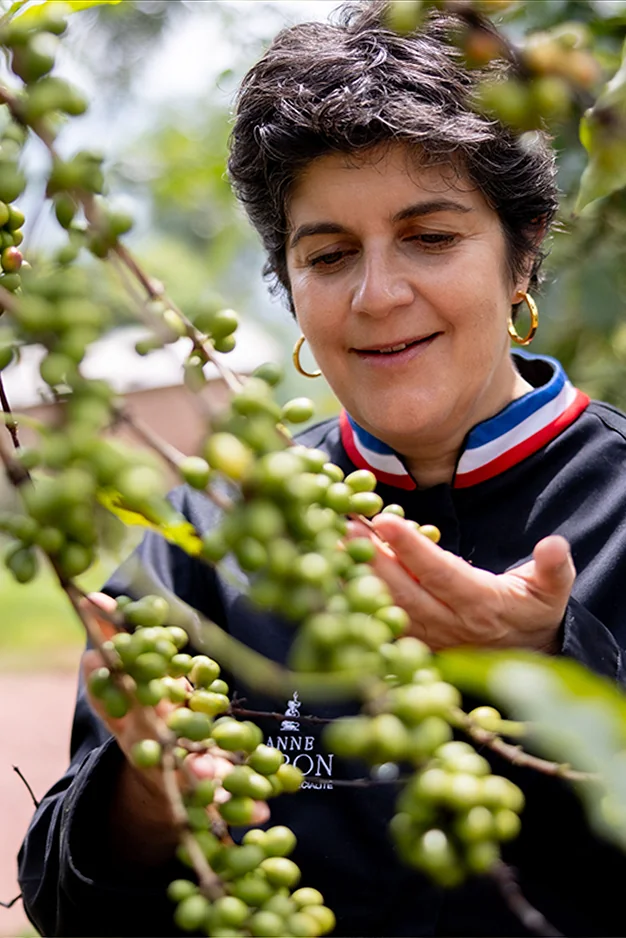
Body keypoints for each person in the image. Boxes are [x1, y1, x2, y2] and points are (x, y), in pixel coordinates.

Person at [18, 3, 626, 936]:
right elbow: (65, 905)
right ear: (290, 284)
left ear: (524, 251)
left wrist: (552, 665)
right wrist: (145, 799)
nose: (377, 295)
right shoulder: (204, 536)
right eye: (330, 254)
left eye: (431, 237)